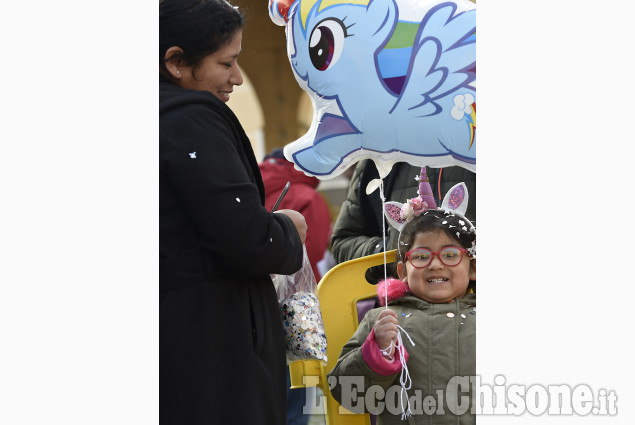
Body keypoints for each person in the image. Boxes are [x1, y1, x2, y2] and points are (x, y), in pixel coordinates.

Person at [160, 1, 307, 424]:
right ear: (176, 62)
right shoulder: (190, 118)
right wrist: (285, 230)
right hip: (209, 348)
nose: (237, 78)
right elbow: (245, 239)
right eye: (226, 63)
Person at [328, 181, 476, 424]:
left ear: (473, 268)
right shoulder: (383, 320)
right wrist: (379, 353)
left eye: (450, 255)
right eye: (421, 256)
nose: (435, 264)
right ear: (403, 272)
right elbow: (351, 397)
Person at [259, 148, 332, 425]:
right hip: (296, 309)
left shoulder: (249, 184)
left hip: (254, 298)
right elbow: (309, 252)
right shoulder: (307, 197)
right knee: (298, 395)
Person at [330, 159, 475, 283]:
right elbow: (344, 242)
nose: (436, 265)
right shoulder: (376, 156)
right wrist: (396, 250)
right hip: (400, 307)